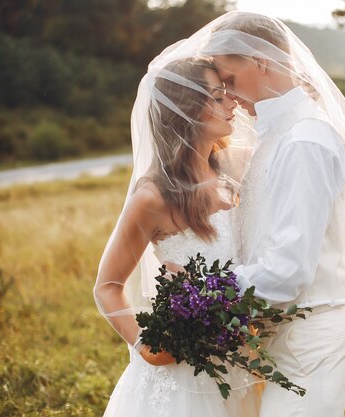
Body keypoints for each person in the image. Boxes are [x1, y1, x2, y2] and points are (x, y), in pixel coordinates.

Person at [202, 11, 345, 417]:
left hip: (310, 345)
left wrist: (201, 289)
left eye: (230, 81)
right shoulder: (275, 134)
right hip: (277, 339)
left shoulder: (304, 139)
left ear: (261, 62)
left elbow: (287, 272)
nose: (228, 96)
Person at [93, 56, 260, 417]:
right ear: (187, 109)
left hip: (245, 355)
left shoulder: (237, 164)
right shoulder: (153, 197)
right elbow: (106, 285)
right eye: (218, 96)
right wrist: (146, 347)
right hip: (184, 367)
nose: (232, 102)